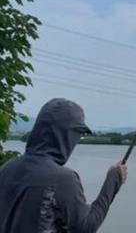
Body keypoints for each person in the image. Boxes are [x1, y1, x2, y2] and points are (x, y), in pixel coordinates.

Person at [0, 98, 128, 233]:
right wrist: (113, 180)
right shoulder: (63, 179)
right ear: (66, 135)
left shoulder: (6, 169)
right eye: (77, 134)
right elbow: (86, 228)